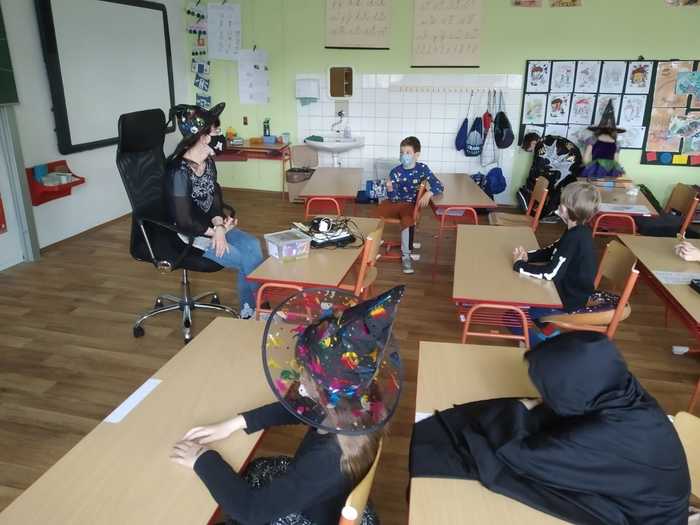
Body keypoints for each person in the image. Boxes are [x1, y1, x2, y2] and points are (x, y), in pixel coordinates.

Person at [170, 286, 406, 525]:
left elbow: (251, 511)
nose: (299, 376)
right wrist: (236, 423)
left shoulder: (327, 460)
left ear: (323, 390)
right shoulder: (357, 403)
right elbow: (298, 408)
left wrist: (202, 458)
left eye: (304, 373)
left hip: (309, 517)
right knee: (252, 469)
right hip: (325, 500)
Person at [410, 331, 691, 524]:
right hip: (646, 496)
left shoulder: (607, 433)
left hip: (639, 518)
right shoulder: (624, 389)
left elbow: (521, 455)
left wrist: (519, 410)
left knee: (498, 462)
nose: (544, 395)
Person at [165, 103, 263, 319]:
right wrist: (215, 232)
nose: (220, 135)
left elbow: (215, 197)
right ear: (203, 137)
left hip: (212, 228)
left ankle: (253, 309)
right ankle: (257, 310)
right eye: (216, 130)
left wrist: (219, 223)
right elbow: (184, 220)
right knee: (244, 259)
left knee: (253, 245)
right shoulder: (178, 172)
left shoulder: (207, 162)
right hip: (189, 235)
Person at [512, 182, 604, 345]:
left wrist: (519, 266)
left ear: (570, 210)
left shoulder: (575, 237)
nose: (558, 206)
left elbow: (550, 274)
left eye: (562, 203)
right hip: (562, 292)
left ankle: (541, 348)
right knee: (523, 300)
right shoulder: (576, 230)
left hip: (566, 300)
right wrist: (528, 257)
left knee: (513, 316)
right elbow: (553, 250)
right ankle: (551, 335)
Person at [378, 136, 444, 274]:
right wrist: (390, 189)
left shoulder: (422, 169)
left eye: (408, 152)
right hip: (397, 202)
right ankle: (374, 244)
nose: (404, 155)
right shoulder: (395, 172)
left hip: (411, 205)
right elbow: (393, 198)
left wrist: (429, 193)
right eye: (401, 152)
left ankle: (406, 256)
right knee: (377, 212)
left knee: (407, 219)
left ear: (416, 155)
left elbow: (439, 185)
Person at [517, 132, 582, 220]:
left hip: (570, 165)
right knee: (553, 187)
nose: (531, 151)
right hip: (574, 163)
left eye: (529, 149)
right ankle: (549, 212)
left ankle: (546, 214)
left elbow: (536, 168)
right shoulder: (547, 139)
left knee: (554, 188)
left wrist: (529, 185)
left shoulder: (540, 146)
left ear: (533, 142)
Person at [581, 99, 626, 179]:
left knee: (594, 183)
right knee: (607, 185)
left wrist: (588, 167)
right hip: (610, 169)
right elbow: (616, 160)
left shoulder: (593, 139)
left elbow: (585, 158)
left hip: (595, 168)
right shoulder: (616, 143)